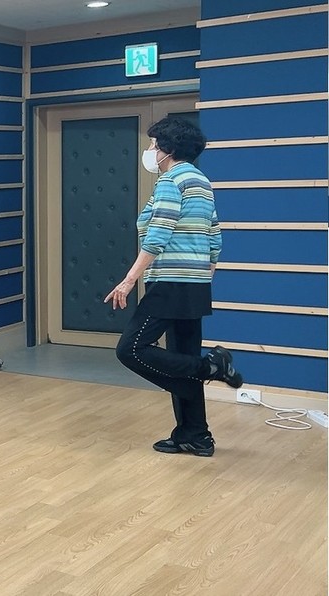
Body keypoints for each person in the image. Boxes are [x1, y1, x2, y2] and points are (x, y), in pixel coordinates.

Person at [107, 116, 243, 458]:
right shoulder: (201, 181)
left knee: (131, 349)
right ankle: (195, 435)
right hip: (194, 284)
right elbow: (215, 238)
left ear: (168, 149)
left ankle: (211, 367)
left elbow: (158, 234)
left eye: (153, 145)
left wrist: (129, 279)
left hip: (169, 282)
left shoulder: (170, 180)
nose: (150, 150)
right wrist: (202, 277)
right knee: (181, 356)